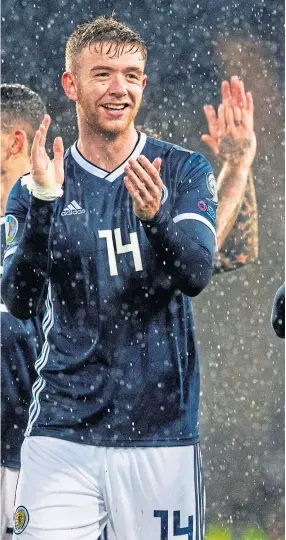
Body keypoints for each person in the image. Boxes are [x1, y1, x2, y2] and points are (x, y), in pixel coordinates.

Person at [2, 16, 217, 539]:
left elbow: (195, 273)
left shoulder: (183, 170)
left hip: (159, 433)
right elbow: (19, 298)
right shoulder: (38, 184)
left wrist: (156, 220)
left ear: (143, 82)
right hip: (61, 432)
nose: (118, 88)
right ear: (70, 85)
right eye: (102, 74)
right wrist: (46, 209)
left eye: (131, 74)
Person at [0, 84, 46, 540]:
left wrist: (236, 167)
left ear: (15, 141)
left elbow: (194, 262)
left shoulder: (60, 218)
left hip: (34, 458)